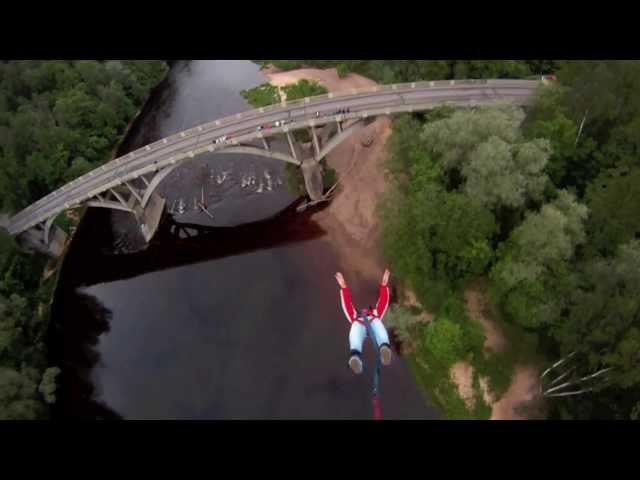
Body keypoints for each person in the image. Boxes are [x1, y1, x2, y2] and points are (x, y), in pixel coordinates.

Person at [334, 269, 393, 375]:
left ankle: (383, 348)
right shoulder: (361, 315)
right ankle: (356, 358)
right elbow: (347, 305)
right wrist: (343, 287)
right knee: (358, 331)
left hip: (368, 322)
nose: (364, 310)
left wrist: (384, 285)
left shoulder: (371, 313)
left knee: (375, 326)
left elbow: (383, 301)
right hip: (364, 323)